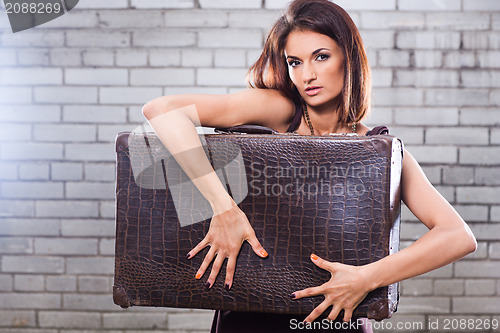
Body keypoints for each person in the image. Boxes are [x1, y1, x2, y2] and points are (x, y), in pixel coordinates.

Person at [142, 0, 477, 331]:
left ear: (349, 58)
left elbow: (457, 235)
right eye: (295, 62)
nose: (308, 75)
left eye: (321, 56)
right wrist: (223, 208)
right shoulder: (280, 111)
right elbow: (163, 110)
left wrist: (365, 278)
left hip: (338, 315)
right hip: (251, 315)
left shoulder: (377, 149)